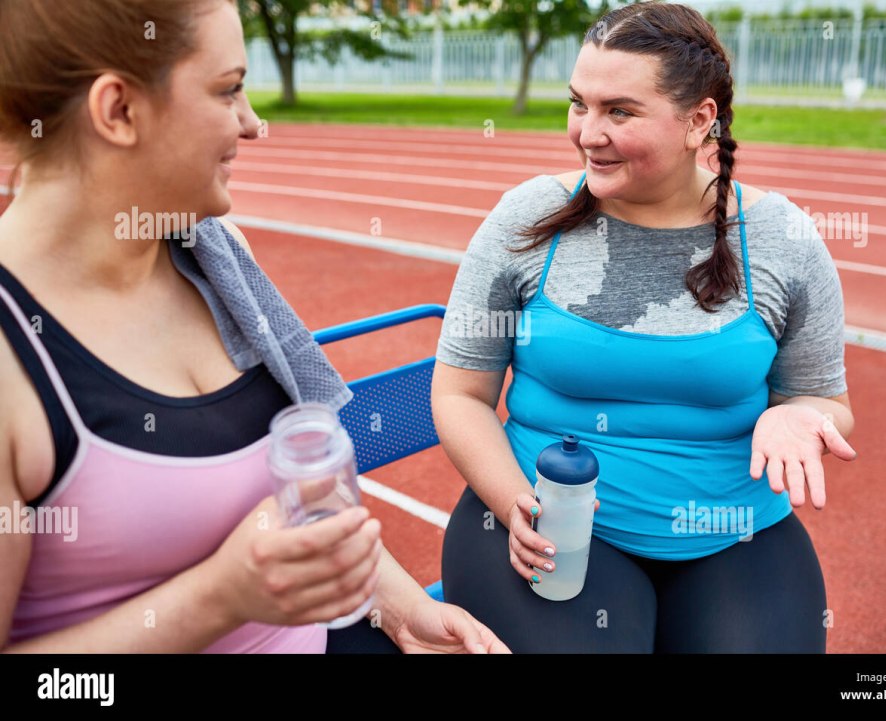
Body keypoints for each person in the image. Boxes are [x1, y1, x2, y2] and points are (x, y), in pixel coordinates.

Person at [0, 0, 507, 654]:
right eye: (229, 89)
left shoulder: (216, 258)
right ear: (119, 110)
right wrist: (220, 597)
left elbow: (303, 527)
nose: (254, 123)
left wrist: (405, 612)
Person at [432, 1, 858, 653]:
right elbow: (459, 395)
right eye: (579, 104)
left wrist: (798, 414)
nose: (586, 133)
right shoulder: (525, 219)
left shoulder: (784, 239)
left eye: (619, 111)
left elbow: (826, 398)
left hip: (733, 533)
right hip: (551, 531)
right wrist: (516, 502)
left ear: (699, 121)